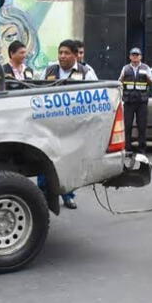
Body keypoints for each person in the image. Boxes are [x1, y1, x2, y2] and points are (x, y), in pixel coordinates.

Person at [39, 40, 97, 209]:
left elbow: (94, 96)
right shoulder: (49, 70)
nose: (62, 56)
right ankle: (43, 194)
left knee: (69, 163)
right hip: (50, 126)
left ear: (75, 55)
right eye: (60, 53)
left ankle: (68, 195)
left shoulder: (86, 72)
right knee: (46, 160)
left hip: (74, 128)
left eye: (66, 53)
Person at [118, 47, 152, 154]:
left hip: (141, 101)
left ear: (140, 56)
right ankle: (127, 147)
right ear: (130, 57)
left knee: (142, 125)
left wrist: (146, 77)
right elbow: (120, 82)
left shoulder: (146, 68)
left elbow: (151, 82)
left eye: (137, 55)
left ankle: (141, 148)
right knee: (127, 125)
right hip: (129, 101)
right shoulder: (125, 68)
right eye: (133, 55)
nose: (135, 57)